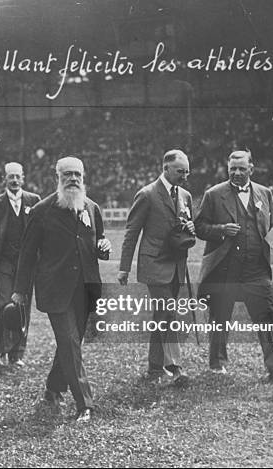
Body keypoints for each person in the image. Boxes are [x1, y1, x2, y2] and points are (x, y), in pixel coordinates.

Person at [12, 156, 111, 423]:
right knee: (68, 342)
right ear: (57, 177)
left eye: (77, 174)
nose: (73, 179)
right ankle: (85, 403)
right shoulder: (42, 210)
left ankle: (53, 387)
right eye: (67, 174)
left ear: (84, 177)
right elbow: (28, 253)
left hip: (85, 289)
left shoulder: (92, 208)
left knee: (71, 343)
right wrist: (20, 290)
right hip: (56, 290)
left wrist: (104, 247)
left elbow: (98, 241)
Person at [194, 150, 273, 381]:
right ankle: (217, 365)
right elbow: (199, 226)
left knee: (267, 317)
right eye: (233, 169)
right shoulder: (213, 194)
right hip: (224, 268)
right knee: (220, 317)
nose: (237, 173)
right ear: (227, 169)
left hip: (256, 270)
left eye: (242, 168)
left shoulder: (265, 193)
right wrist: (221, 230)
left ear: (252, 168)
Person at [117, 149, 194, 385]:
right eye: (180, 171)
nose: (184, 176)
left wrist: (190, 229)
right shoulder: (147, 194)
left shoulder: (186, 195)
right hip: (154, 264)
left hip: (176, 265)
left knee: (162, 313)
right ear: (165, 168)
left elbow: (189, 227)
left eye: (187, 172)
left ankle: (154, 367)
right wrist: (124, 268)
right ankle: (175, 367)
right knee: (168, 311)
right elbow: (132, 233)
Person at [0, 162, 40, 367]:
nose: (14, 180)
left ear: (23, 178)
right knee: (4, 305)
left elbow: (41, 235)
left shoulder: (34, 200)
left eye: (18, 176)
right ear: (4, 179)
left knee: (23, 307)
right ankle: (3, 350)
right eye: (10, 177)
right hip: (4, 263)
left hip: (27, 265)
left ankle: (18, 353)